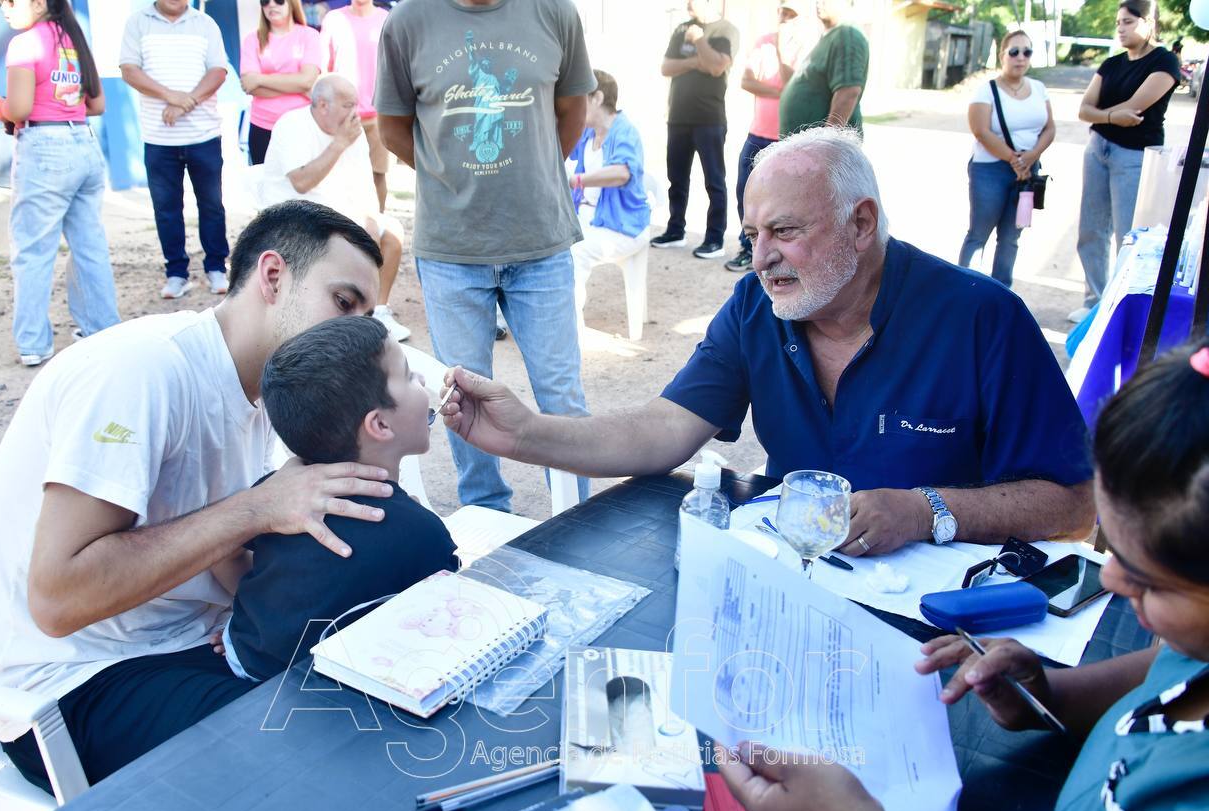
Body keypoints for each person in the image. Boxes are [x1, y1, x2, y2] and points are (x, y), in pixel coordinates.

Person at [439, 127, 1096, 557]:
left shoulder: (982, 319)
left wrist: (927, 511)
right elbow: (662, 430)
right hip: (795, 588)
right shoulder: (759, 306)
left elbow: (1074, 504)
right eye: (752, 235)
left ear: (860, 223)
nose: (761, 259)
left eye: (784, 231)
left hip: (941, 622)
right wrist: (525, 435)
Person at [0, 201, 396, 792]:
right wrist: (258, 508)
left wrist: (257, 615)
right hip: (69, 684)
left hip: (189, 645)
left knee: (377, 695)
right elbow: (57, 600)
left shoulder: (271, 393)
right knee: (319, 756)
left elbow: (221, 552)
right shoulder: (140, 371)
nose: (351, 335)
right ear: (273, 277)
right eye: (344, 305)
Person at [718, 341, 1209, 811]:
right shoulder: (1193, 649)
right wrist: (1046, 696)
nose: (1110, 581)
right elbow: (1163, 674)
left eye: (1148, 578)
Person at [376, 0, 596, 511]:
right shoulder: (408, 21)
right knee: (462, 396)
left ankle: (576, 515)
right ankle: (486, 508)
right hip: (452, 247)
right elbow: (392, 128)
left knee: (561, 396)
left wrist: (531, 173)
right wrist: (449, 176)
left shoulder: (554, 12)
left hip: (540, 240)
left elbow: (571, 112)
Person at [220, 316, 459, 682]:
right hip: (325, 689)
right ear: (379, 425)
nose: (423, 381)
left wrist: (256, 620)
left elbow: (222, 547)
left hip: (244, 657)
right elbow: (447, 618)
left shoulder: (276, 494)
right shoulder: (422, 533)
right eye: (410, 375)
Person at [0, 0, 120, 367]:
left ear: (37, 3)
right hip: (83, 143)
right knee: (89, 246)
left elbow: (18, 109)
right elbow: (96, 105)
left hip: (45, 148)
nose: (4, 8)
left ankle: (33, 342)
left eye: (9, 1)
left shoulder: (24, 43)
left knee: (33, 250)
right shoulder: (74, 40)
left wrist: (1, 107)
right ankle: (103, 328)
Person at [259, 76, 409, 341]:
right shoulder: (292, 125)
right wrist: (338, 143)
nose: (355, 112)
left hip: (339, 213)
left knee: (392, 234)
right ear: (323, 105)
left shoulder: (355, 131)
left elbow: (365, 183)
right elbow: (302, 182)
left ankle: (377, 312)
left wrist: (371, 217)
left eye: (355, 105)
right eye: (348, 105)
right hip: (294, 216)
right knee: (342, 244)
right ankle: (332, 317)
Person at [1073, 0, 1179, 323]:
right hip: (1098, 149)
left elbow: (1133, 110)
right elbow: (1084, 109)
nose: (1120, 27)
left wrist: (1103, 114)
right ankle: (1094, 302)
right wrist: (1109, 115)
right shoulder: (1111, 63)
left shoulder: (1164, 62)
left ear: (1149, 23)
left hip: (1133, 156)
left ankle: (1119, 312)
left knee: (1127, 235)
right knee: (1091, 230)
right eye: (1118, 22)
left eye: (1129, 21)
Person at [120, 0, 232, 301]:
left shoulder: (205, 24)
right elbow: (129, 70)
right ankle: (176, 273)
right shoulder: (138, 23)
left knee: (211, 205)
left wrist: (188, 101)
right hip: (159, 138)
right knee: (167, 210)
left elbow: (218, 71)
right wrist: (170, 96)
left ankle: (216, 267)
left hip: (204, 134)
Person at [725, 0, 819, 274]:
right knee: (745, 192)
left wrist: (781, 53)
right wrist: (781, 92)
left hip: (787, 137)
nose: (784, 18)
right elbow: (746, 81)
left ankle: (781, 253)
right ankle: (748, 247)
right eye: (782, 12)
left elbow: (796, 83)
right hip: (757, 132)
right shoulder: (762, 42)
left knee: (783, 202)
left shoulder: (806, 46)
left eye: (791, 14)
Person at [958, 30, 1055, 288]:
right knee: (979, 234)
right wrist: (1014, 160)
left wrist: (1032, 156)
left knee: (1012, 236)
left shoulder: (1039, 89)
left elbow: (1049, 129)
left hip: (1027, 172)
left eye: (1027, 52)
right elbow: (980, 130)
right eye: (1014, 51)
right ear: (1003, 55)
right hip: (990, 170)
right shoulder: (986, 90)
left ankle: (1002, 290)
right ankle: (966, 290)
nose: (1020, 57)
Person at [650, 0, 739, 260]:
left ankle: (715, 239)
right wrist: (694, 62)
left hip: (709, 118)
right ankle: (675, 230)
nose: (688, 3)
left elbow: (716, 66)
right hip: (678, 116)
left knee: (714, 180)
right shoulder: (681, 29)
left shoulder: (725, 30)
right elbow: (666, 67)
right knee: (676, 179)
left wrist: (700, 41)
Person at [566, 69, 650, 329]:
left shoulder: (624, 131)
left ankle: (570, 327)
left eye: (581, 98)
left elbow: (621, 173)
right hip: (589, 218)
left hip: (622, 226)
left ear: (598, 97)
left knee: (575, 251)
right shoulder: (587, 134)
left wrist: (577, 180)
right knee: (546, 243)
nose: (575, 105)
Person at [320, 0, 391, 213]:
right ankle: (344, 231)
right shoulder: (334, 19)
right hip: (344, 115)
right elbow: (324, 67)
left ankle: (377, 227)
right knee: (342, 178)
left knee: (378, 173)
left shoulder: (386, 18)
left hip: (381, 112)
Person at [240, 0, 322, 166]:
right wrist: (296, 85)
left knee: (303, 188)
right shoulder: (252, 39)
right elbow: (250, 86)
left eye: (278, 0)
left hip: (302, 125)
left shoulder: (309, 35)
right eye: (265, 1)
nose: (271, 5)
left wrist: (260, 78)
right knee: (265, 186)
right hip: (263, 126)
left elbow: (307, 80)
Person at [777, 0, 868, 137]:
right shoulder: (830, 36)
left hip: (820, 152)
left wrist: (826, 143)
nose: (820, 2)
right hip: (807, 148)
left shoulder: (846, 35)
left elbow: (848, 92)